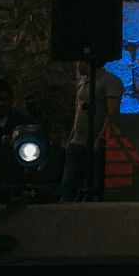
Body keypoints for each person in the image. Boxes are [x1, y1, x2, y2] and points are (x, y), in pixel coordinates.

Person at [58, 61, 124, 202]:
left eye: (78, 61)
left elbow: (112, 113)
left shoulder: (109, 81)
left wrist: (100, 139)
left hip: (95, 142)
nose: (76, 65)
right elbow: (78, 113)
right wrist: (71, 139)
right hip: (78, 142)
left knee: (94, 185)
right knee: (68, 186)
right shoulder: (82, 83)